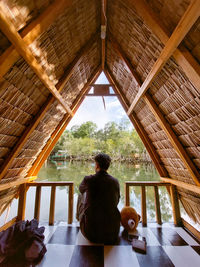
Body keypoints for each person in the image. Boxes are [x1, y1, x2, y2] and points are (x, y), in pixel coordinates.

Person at [76, 153, 121, 244]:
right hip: (112, 232)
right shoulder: (115, 181)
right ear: (108, 166)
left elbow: (81, 189)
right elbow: (117, 201)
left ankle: (79, 219)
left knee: (81, 195)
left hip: (91, 233)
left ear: (96, 165)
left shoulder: (88, 179)